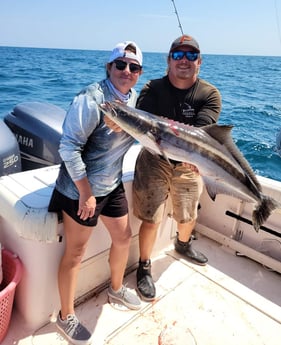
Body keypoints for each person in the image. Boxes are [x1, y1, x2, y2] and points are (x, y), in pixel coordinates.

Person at [48, 41, 143, 345]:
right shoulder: (91, 99)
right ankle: (65, 316)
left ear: (139, 74)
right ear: (108, 67)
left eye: (134, 67)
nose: (126, 71)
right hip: (79, 189)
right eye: (120, 64)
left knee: (124, 238)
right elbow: (68, 147)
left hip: (112, 184)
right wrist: (85, 192)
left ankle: (115, 289)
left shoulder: (135, 101)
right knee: (75, 254)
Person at [133, 34, 222, 301]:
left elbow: (200, 133)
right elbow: (143, 125)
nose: (185, 60)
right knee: (152, 218)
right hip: (153, 158)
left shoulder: (209, 94)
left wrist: (192, 157)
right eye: (178, 55)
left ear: (200, 62)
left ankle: (183, 245)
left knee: (188, 214)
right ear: (168, 60)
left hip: (190, 163)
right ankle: (144, 265)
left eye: (191, 55)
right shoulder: (151, 88)